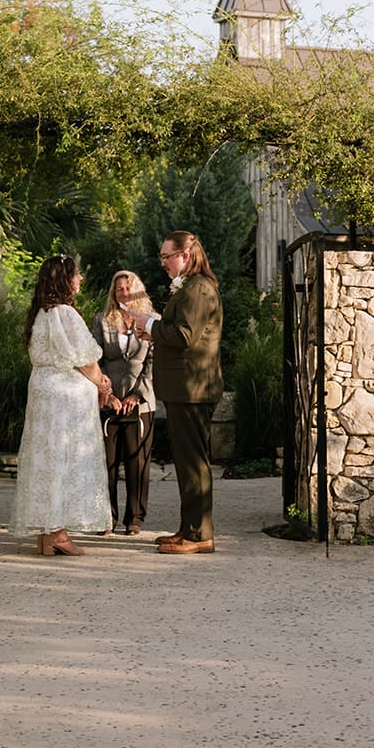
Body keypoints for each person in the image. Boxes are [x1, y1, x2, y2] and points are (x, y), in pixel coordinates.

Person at [8, 254, 114, 556]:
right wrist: (102, 383)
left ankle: (47, 531)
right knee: (65, 460)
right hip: (64, 399)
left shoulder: (40, 314)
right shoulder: (65, 314)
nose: (80, 279)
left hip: (43, 393)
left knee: (46, 459)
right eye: (76, 275)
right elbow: (84, 358)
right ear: (65, 280)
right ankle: (58, 533)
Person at [132, 231, 223, 555]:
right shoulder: (191, 287)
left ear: (185, 255)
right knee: (186, 463)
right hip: (184, 388)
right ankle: (190, 528)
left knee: (194, 463)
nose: (163, 263)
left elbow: (185, 335)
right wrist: (155, 328)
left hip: (192, 389)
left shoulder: (198, 288)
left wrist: (152, 325)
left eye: (167, 256)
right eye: (162, 257)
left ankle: (199, 535)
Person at [92, 270, 156, 534]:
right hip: (108, 401)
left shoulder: (153, 321)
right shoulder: (101, 321)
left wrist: (136, 394)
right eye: (119, 289)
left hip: (140, 402)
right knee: (106, 462)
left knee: (137, 462)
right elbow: (93, 358)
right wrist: (105, 393)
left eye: (128, 288)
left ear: (137, 291)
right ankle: (107, 517)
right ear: (113, 293)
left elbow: (154, 362)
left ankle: (135, 518)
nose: (124, 293)